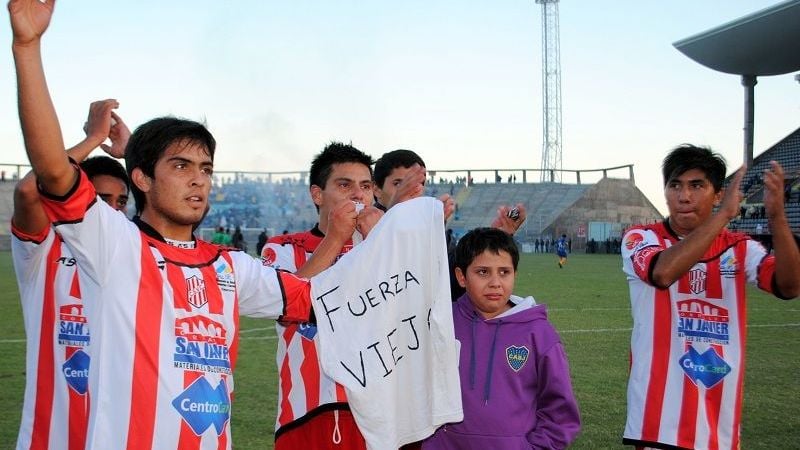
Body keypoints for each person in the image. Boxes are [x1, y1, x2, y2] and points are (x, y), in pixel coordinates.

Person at [9, 2, 347, 447]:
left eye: (205, 169)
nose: (198, 179)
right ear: (142, 179)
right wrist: (27, 46)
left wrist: (350, 235)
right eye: (181, 166)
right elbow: (51, 175)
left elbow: (302, 295)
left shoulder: (229, 266)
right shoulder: (117, 245)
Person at [621, 144, 800, 450]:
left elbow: (789, 286)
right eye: (675, 185)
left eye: (696, 186)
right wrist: (724, 216)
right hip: (658, 422)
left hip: (719, 424)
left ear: (718, 195)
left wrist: (777, 218)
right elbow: (662, 273)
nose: (684, 196)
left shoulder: (740, 247)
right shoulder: (641, 238)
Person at [12, 99, 129, 450]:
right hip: (50, 439)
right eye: (103, 199)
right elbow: (28, 191)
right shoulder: (44, 248)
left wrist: (133, 154)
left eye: (121, 202)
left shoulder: (128, 252)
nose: (113, 210)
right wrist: (93, 139)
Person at [260, 142, 383, 449]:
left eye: (365, 186)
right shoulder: (284, 248)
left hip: (377, 416)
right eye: (345, 185)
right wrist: (335, 238)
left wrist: (379, 243)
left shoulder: (385, 247)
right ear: (317, 194)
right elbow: (286, 304)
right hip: (304, 413)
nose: (358, 195)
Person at [423, 227, 581, 449]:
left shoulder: (538, 333)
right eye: (483, 272)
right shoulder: (440, 323)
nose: (495, 282)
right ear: (461, 277)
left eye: (504, 272)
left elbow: (559, 410)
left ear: (515, 274)